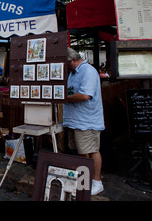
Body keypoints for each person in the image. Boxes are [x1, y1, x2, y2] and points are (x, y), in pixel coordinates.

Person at [63, 48, 105, 196]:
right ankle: (84, 181)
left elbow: (85, 95)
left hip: (87, 120)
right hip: (75, 120)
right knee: (82, 152)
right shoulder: (73, 72)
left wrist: (64, 97)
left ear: (72, 61)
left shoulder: (88, 71)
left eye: (66, 64)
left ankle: (96, 181)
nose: (66, 67)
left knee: (92, 150)